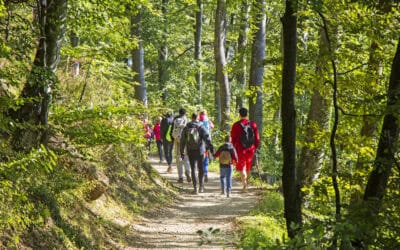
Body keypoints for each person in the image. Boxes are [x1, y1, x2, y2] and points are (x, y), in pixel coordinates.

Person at [180, 113, 214, 194]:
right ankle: (201, 187)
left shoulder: (187, 127)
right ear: (197, 118)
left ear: (191, 118)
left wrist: (181, 151)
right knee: (201, 168)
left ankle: (195, 188)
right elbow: (207, 137)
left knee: (193, 169)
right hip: (200, 150)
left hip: (190, 150)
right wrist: (211, 148)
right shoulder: (201, 127)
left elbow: (182, 141)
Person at [230, 107, 260, 191]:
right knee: (248, 167)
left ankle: (244, 185)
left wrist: (233, 148)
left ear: (239, 114)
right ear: (247, 114)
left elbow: (233, 138)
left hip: (240, 149)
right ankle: (246, 184)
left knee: (242, 167)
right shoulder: (253, 124)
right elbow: (257, 138)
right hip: (251, 149)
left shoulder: (236, 125)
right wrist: (256, 146)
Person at [171, 108, 191, 183]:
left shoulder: (176, 121)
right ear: (185, 113)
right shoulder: (188, 121)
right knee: (185, 158)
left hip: (178, 143)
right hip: (185, 144)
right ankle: (188, 172)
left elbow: (172, 133)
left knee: (179, 159)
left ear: (179, 113)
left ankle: (181, 177)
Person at [199, 110, 214, 183]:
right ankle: (205, 172)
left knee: (200, 158)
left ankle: (201, 173)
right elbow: (212, 126)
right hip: (207, 142)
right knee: (206, 158)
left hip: (200, 143)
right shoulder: (208, 121)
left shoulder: (198, 120)